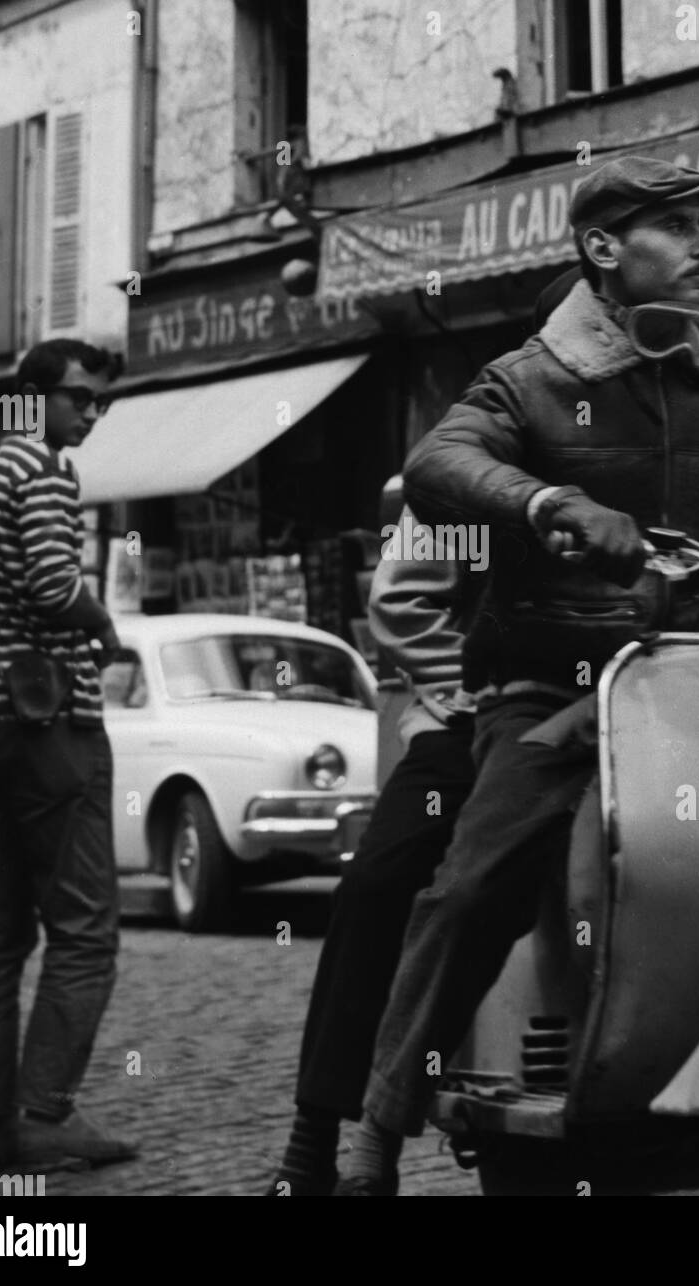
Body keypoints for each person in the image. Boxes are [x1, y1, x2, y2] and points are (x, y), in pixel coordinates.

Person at [336, 154, 699, 1195]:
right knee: (471, 883)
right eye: (677, 228)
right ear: (601, 248)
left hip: (695, 680)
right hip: (553, 687)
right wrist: (547, 507)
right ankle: (382, 1112)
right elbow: (436, 468)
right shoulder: (524, 381)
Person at [0, 339, 138, 1174]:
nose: (89, 414)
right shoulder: (43, 471)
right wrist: (106, 632)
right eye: (78, 398)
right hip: (48, 718)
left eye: (99, 403)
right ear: (31, 398)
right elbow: (54, 584)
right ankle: (44, 1115)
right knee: (85, 931)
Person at [266, 508, 482, 1195]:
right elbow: (400, 596)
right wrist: (483, 689)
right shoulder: (478, 444)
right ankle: (320, 1142)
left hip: (654, 707)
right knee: (377, 885)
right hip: (476, 720)